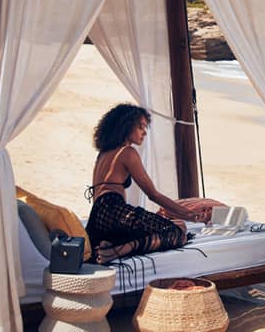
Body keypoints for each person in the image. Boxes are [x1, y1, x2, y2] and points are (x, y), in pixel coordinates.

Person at [85, 104, 207, 263]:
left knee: (179, 225)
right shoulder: (127, 152)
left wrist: (184, 216)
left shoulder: (104, 153)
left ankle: (113, 246)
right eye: (140, 126)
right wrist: (189, 214)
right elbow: (153, 194)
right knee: (176, 233)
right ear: (126, 125)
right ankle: (116, 252)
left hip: (97, 220)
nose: (144, 132)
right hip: (114, 210)